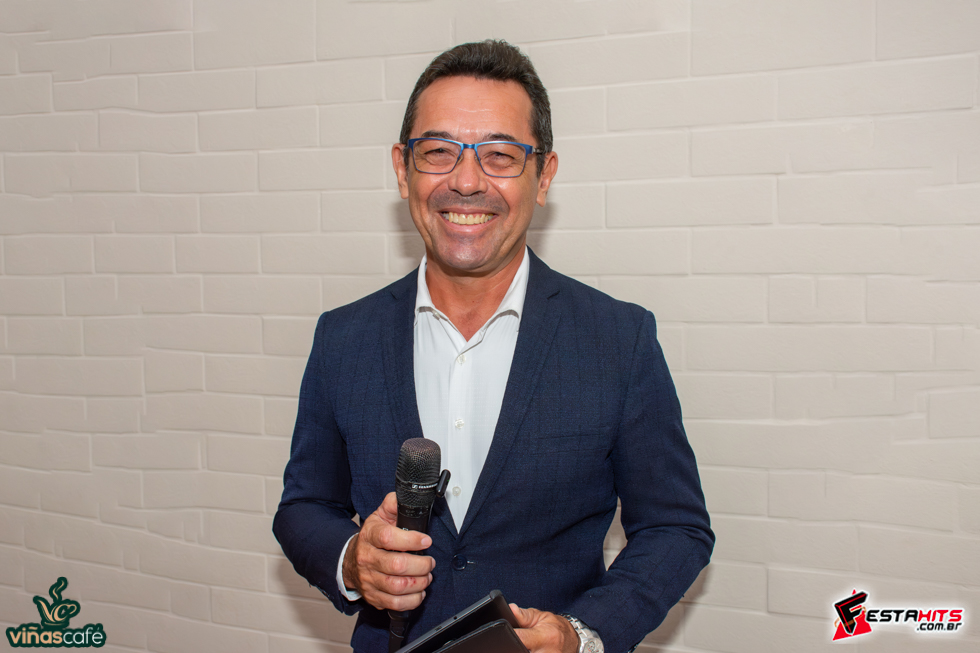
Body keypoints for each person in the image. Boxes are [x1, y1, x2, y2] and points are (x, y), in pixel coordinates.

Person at [273, 40, 713, 653]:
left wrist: (582, 634)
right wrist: (352, 560)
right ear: (402, 169)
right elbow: (304, 507)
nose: (465, 181)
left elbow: (675, 527)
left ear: (544, 175)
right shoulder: (343, 337)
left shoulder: (619, 339)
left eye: (500, 156)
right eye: (438, 151)